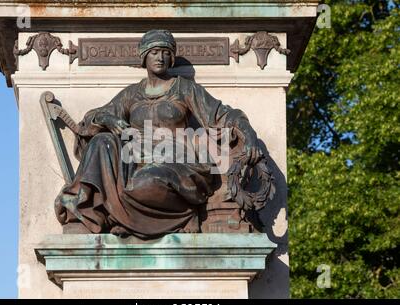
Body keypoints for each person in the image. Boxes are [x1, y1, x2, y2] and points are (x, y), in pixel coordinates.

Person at [55, 30, 263, 239]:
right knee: (102, 141)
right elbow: (93, 118)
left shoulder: (184, 88)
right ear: (144, 56)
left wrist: (250, 136)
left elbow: (225, 115)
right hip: (134, 160)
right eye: (154, 52)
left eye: (165, 52)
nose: (160, 58)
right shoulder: (131, 93)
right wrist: (108, 120)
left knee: (148, 182)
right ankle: (86, 211)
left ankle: (154, 218)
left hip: (176, 160)